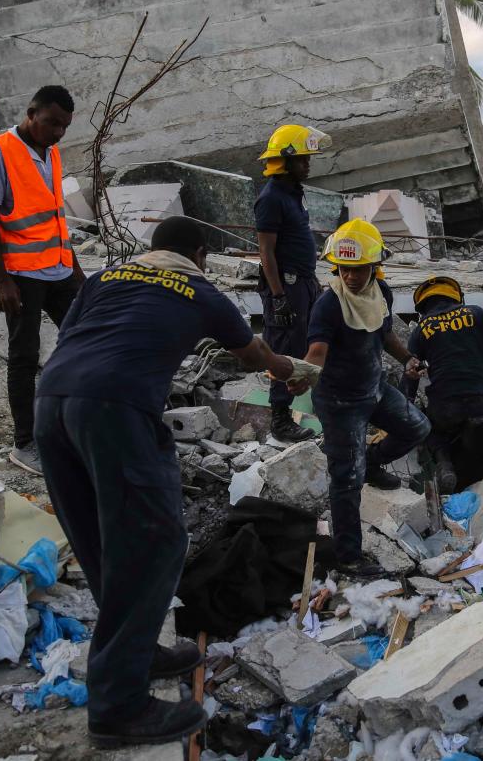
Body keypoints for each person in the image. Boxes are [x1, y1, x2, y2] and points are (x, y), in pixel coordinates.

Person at [33, 216, 315, 748]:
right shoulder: (201, 290)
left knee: (98, 537)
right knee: (156, 542)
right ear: (201, 254)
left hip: (51, 402)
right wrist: (292, 369)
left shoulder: (105, 279)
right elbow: (254, 355)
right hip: (116, 407)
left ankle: (135, 654)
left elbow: (72, 337)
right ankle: (117, 707)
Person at [292, 219, 431, 578]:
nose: (351, 277)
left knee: (417, 428)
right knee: (346, 480)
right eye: (345, 269)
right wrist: (302, 377)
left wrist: (408, 360)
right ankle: (349, 558)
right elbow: (317, 351)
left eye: (359, 269)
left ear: (374, 266)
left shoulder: (380, 293)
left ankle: (371, 463)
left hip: (375, 388)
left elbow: (384, 334)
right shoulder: (328, 305)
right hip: (340, 403)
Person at [0, 84, 84, 476]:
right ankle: (25, 443)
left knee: (85, 338)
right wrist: (1, 280)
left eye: (65, 126)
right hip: (21, 275)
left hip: (59, 269)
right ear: (31, 112)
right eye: (52, 122)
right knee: (23, 356)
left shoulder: (51, 153)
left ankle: (74, 420)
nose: (58, 132)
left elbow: (55, 217)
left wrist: (77, 272)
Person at [405, 276, 483, 491]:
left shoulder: (421, 330)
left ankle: (443, 461)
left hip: (444, 409)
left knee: (431, 428)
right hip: (481, 403)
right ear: (457, 298)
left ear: (423, 307)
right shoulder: (477, 314)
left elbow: (409, 375)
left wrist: (408, 408)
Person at [254, 124, 331, 444]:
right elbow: (266, 252)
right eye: (302, 160)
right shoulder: (271, 198)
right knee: (283, 349)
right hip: (286, 286)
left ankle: (323, 408)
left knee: (308, 345)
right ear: (285, 162)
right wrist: (279, 296)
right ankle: (280, 420)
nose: (308, 164)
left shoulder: (292, 194)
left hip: (303, 283)